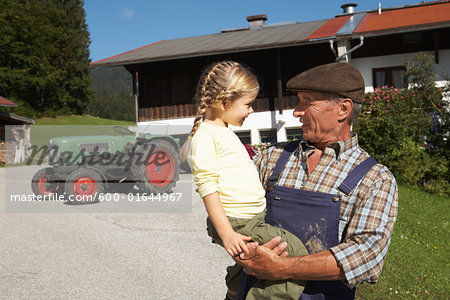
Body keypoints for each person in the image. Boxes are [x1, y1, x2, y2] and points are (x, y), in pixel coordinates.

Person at [234, 62, 398, 300]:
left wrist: (281, 267)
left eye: (306, 102)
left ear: (343, 109)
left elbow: (365, 254)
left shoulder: (375, 179)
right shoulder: (271, 157)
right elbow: (234, 212)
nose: (296, 112)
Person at [185, 61, 308, 300]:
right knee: (293, 253)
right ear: (224, 102)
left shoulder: (222, 131)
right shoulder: (206, 136)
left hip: (248, 219)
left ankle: (235, 289)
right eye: (248, 104)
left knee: (255, 259)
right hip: (238, 223)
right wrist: (227, 233)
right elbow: (207, 187)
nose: (251, 110)